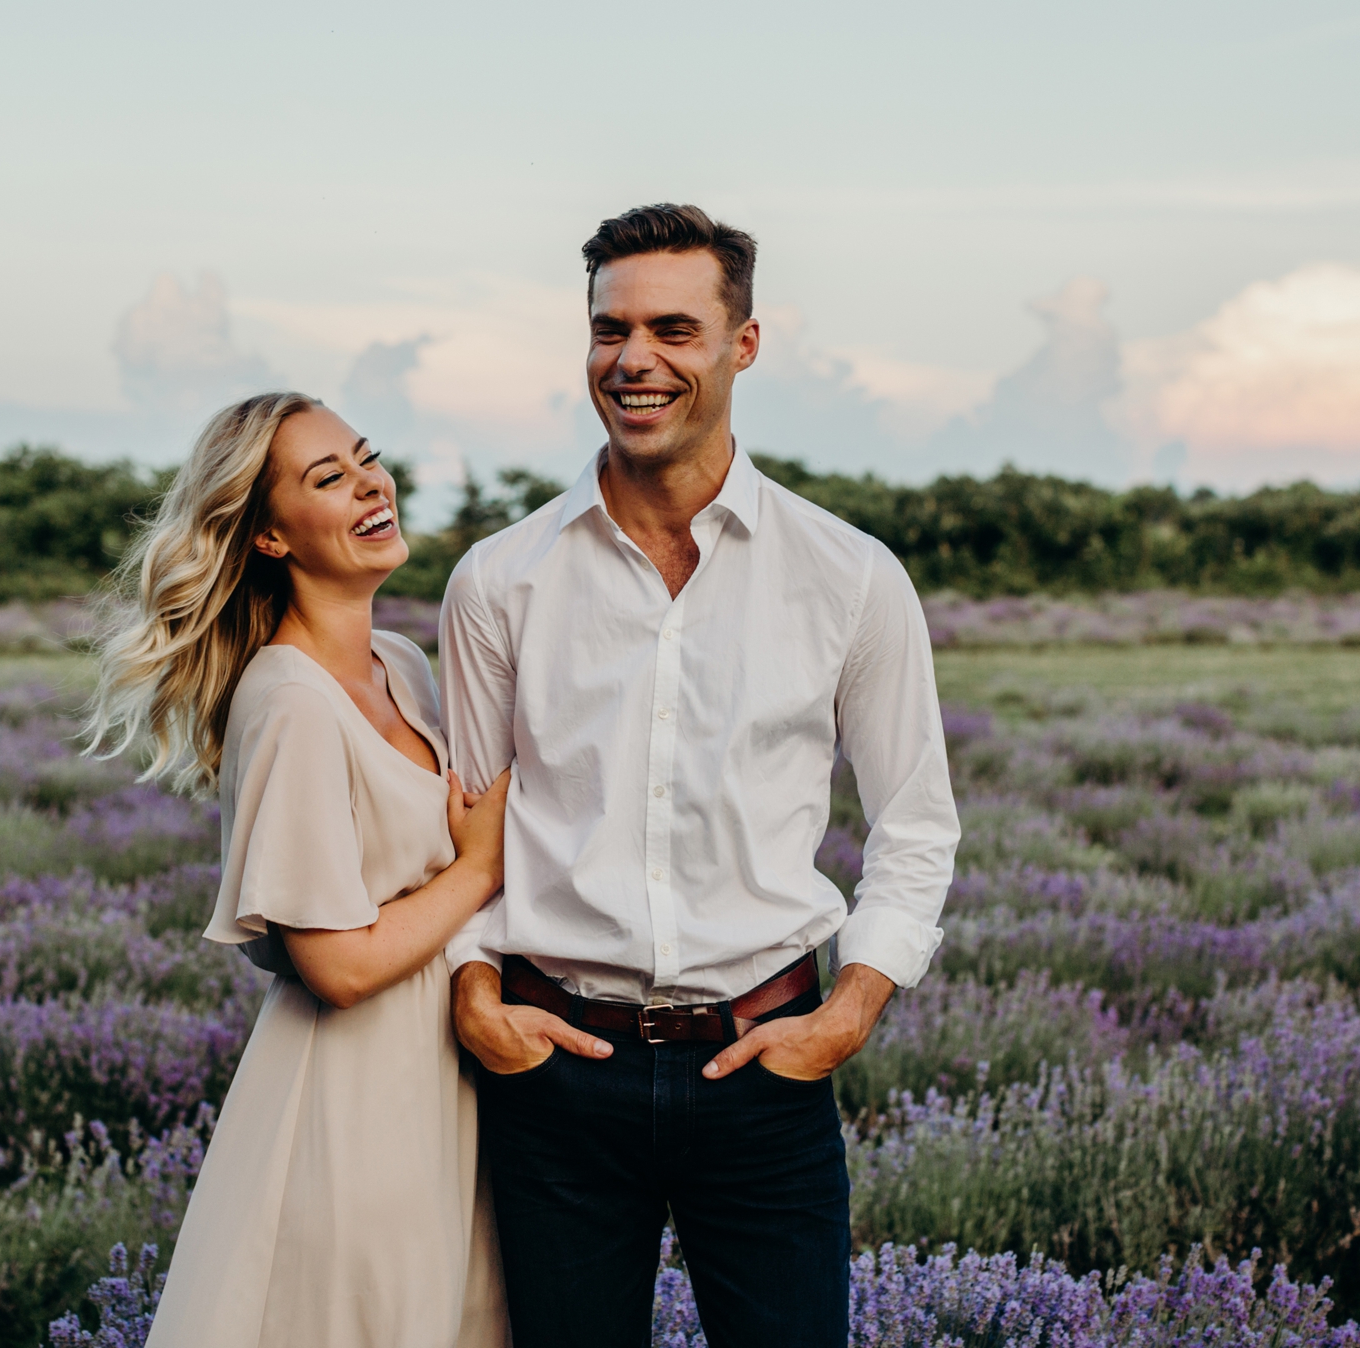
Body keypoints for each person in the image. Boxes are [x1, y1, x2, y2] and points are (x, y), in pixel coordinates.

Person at [441, 204, 963, 1348]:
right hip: (555, 1076)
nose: (635, 359)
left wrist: (851, 1009)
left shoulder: (849, 575)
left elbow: (916, 823)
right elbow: (465, 835)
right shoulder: (499, 579)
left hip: (765, 1073)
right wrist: (476, 993)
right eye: (609, 329)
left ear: (745, 342)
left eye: (674, 327)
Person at [84, 391, 511, 1348]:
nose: (370, 485)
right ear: (270, 537)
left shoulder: (402, 662)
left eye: (365, 460)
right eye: (328, 479)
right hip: (353, 1108)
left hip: (447, 1089)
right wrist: (479, 868)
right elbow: (338, 964)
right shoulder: (287, 700)